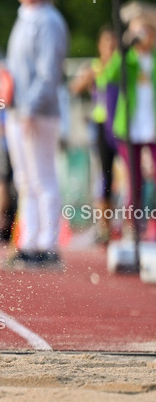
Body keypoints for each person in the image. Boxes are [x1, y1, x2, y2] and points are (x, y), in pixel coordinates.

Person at [0, 0, 69, 270]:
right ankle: (29, 243)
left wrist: (29, 107)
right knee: (25, 180)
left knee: (43, 178)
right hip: (19, 113)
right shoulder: (24, 18)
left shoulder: (49, 21)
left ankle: (48, 245)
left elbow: (48, 72)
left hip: (38, 113)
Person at [100, 19, 156, 241]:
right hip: (131, 128)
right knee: (134, 179)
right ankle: (133, 226)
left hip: (152, 126)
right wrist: (121, 52)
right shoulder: (127, 59)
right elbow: (108, 77)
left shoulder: (152, 59)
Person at [69, 26, 119, 243]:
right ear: (100, 46)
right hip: (102, 126)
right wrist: (89, 77)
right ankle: (104, 227)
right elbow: (74, 87)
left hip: (123, 126)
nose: (110, 47)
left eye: (114, 43)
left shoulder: (122, 67)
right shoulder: (95, 67)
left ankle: (131, 224)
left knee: (128, 178)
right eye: (106, 43)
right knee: (105, 176)